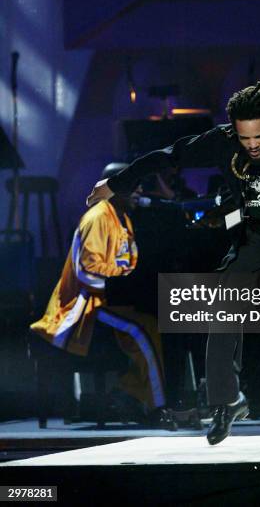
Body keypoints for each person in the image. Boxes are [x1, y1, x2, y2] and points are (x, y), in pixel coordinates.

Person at [87, 78, 260, 444]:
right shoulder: (222, 140)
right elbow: (168, 155)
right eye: (244, 138)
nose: (251, 145)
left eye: (259, 138)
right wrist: (117, 183)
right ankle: (227, 402)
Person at [31, 164, 177, 430]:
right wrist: (124, 278)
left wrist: (130, 278)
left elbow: (126, 262)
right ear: (116, 188)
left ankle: (129, 393)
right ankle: (157, 408)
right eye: (135, 186)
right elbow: (88, 271)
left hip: (107, 299)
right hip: (85, 303)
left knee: (153, 326)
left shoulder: (121, 217)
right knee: (142, 330)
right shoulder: (97, 217)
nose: (140, 191)